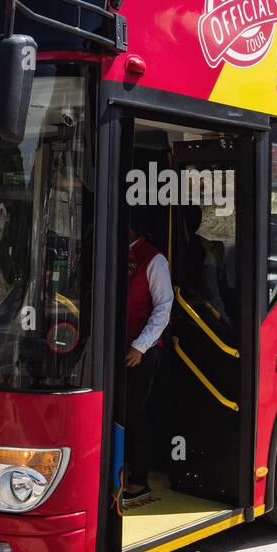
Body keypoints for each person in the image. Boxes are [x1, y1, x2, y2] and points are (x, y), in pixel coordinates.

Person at [122, 213, 173, 501]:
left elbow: (163, 309)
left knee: (136, 412)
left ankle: (139, 479)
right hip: (118, 346)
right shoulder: (112, 251)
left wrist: (139, 347)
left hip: (141, 350)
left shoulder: (154, 260)